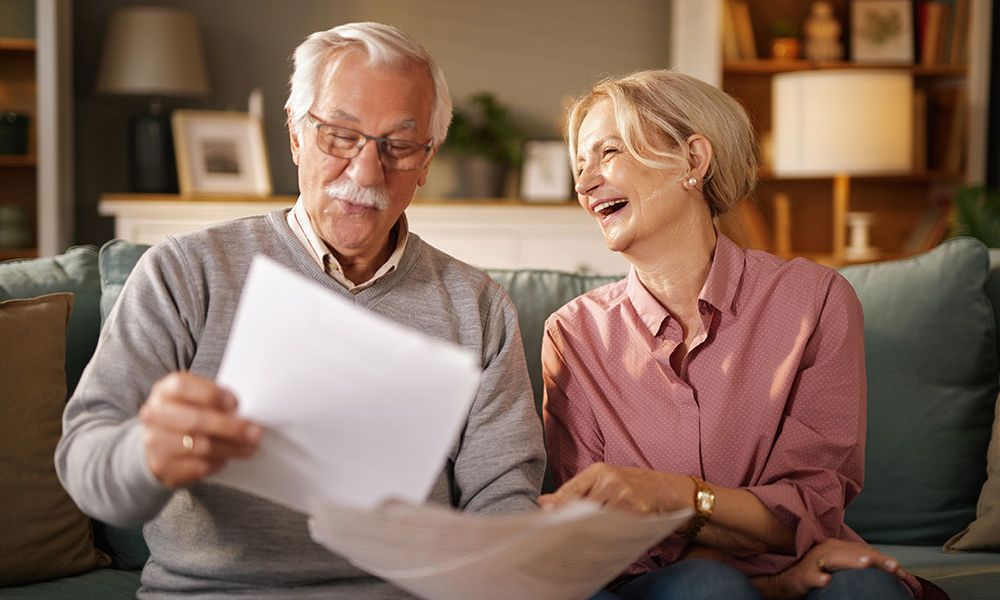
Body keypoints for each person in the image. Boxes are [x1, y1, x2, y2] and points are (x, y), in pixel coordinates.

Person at [55, 22, 545, 599]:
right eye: (340, 135)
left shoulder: (478, 306)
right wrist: (149, 453)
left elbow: (502, 499)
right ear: (294, 134)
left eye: (399, 145)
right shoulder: (186, 272)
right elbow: (87, 463)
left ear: (427, 159)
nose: (366, 173)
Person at [538, 69, 919, 600]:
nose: (583, 184)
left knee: (866, 590)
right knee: (706, 586)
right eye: (579, 166)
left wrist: (674, 497)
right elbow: (595, 536)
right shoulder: (573, 336)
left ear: (693, 160)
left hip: (804, 565)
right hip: (662, 588)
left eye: (608, 153)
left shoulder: (815, 301)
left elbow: (809, 506)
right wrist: (771, 584)